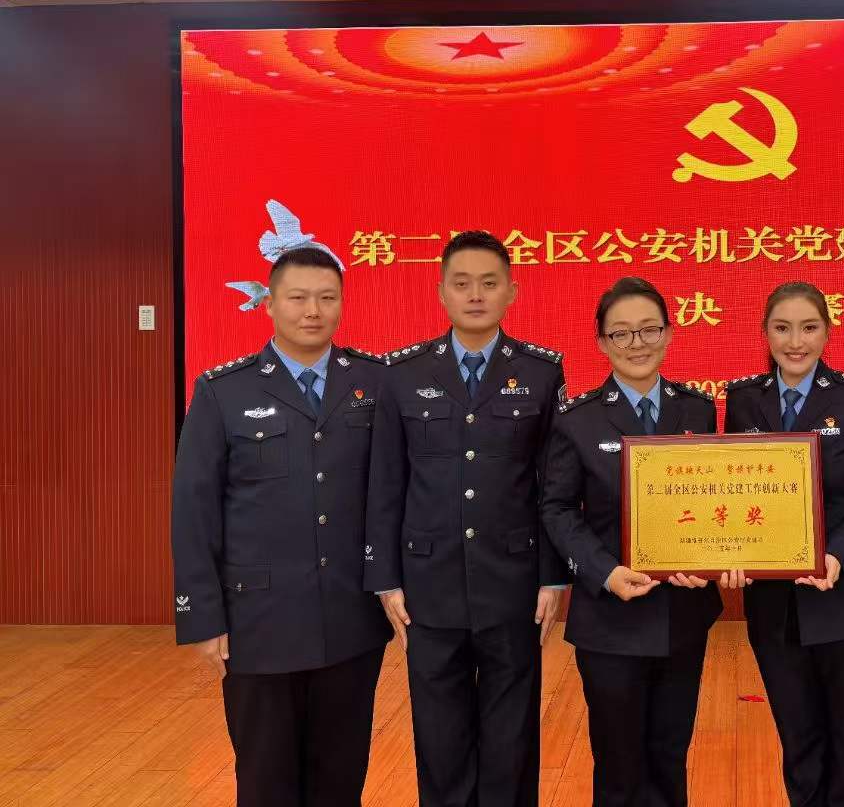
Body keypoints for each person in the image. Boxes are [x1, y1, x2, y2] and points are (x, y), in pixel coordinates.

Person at [171, 247, 391, 807]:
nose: (312, 310)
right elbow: (194, 508)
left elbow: (393, 492)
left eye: (326, 297)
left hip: (350, 618)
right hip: (258, 623)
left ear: (342, 303)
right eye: (297, 297)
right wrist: (202, 615)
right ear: (269, 304)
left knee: (341, 778)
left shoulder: (373, 382)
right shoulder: (223, 390)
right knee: (265, 778)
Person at [364, 230, 567, 807]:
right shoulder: (401, 374)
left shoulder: (541, 372)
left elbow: (552, 484)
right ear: (441, 293)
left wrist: (554, 576)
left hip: (514, 581)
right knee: (440, 736)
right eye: (462, 283)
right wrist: (385, 579)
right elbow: (386, 482)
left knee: (512, 735)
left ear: (512, 292)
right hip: (428, 584)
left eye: (489, 283)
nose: (475, 295)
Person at [720, 281, 844, 807]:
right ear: (765, 333)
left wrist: (838, 552)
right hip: (775, 608)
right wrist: (728, 553)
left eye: (808, 328)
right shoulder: (744, 401)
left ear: (827, 332)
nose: (795, 341)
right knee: (799, 743)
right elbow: (731, 490)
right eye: (782, 328)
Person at [541, 276, 722, 807]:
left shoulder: (698, 410)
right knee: (618, 764)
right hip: (610, 619)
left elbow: (718, 496)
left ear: (669, 333)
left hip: (683, 612)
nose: (636, 343)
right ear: (601, 342)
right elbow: (557, 508)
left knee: (670, 755)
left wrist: (715, 558)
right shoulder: (577, 419)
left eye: (648, 330)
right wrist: (605, 572)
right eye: (621, 333)